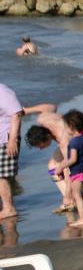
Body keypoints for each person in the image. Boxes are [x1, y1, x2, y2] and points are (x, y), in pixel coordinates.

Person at [0, 84, 23, 218]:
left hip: (5, 140)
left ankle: (9, 208)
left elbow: (16, 114)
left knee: (1, 176)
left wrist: (12, 140)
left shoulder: (3, 91)